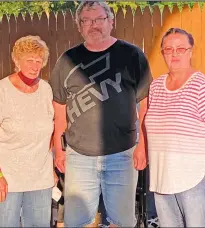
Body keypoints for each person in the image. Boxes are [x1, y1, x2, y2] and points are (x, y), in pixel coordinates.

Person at [49, 1, 152, 227]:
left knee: (122, 221)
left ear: (111, 22)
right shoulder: (67, 60)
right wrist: (59, 149)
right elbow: (59, 109)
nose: (92, 25)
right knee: (77, 221)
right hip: (79, 157)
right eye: (85, 21)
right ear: (79, 26)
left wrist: (143, 145)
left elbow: (145, 105)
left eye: (98, 19)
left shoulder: (132, 56)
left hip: (122, 155)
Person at [145, 28, 205, 227]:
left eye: (180, 49)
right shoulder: (157, 86)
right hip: (162, 180)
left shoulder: (202, 86)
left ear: (190, 52)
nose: (174, 53)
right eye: (168, 49)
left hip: (193, 180)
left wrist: (195, 159)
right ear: (162, 54)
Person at [0, 35, 56, 227]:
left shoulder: (46, 90)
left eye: (39, 61)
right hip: (6, 179)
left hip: (40, 179)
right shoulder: (1, 91)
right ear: (17, 60)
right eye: (29, 60)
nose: (34, 66)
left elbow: (50, 131)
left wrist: (52, 167)